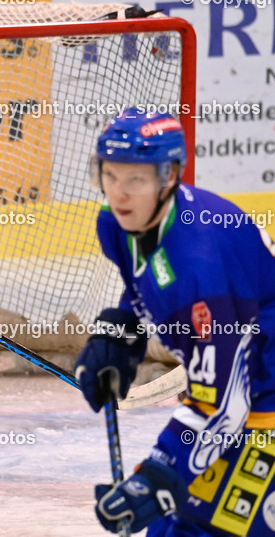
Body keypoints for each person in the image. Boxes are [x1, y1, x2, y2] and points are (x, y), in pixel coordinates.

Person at [75, 108, 275, 535]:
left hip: (262, 395)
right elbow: (141, 281)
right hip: (242, 378)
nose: (119, 193)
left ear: (168, 177)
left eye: (136, 179)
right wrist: (120, 329)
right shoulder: (115, 224)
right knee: (174, 524)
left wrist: (157, 477)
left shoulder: (200, 268)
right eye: (110, 175)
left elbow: (222, 404)